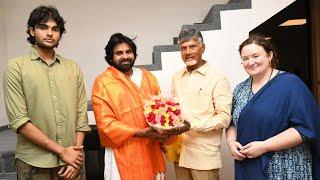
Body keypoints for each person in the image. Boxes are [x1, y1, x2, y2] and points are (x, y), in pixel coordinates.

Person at [3, 5, 91, 180]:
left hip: (72, 162)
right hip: (33, 162)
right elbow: (19, 121)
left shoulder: (73, 68)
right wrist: (62, 152)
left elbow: (82, 116)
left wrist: (74, 156)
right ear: (31, 31)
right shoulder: (16, 68)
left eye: (55, 29)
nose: (50, 33)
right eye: (43, 27)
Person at [226, 34, 320, 180]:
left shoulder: (290, 84)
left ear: (270, 56)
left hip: (286, 166)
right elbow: (231, 122)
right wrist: (231, 143)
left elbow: (305, 128)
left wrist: (265, 146)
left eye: (256, 56)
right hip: (249, 164)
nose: (250, 62)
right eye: (245, 58)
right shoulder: (240, 89)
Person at [91, 33, 168, 180]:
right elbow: (105, 124)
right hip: (122, 152)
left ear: (134, 54)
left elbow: (160, 109)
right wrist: (140, 132)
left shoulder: (147, 76)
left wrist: (167, 129)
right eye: (119, 53)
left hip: (151, 149)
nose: (125, 56)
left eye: (128, 52)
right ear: (110, 57)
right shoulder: (102, 83)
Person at [166, 27, 232, 180]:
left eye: (192, 46)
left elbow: (224, 117)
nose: (187, 52)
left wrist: (191, 125)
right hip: (179, 153)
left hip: (204, 157)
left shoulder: (217, 78)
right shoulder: (177, 77)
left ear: (203, 48)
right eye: (183, 48)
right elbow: (175, 112)